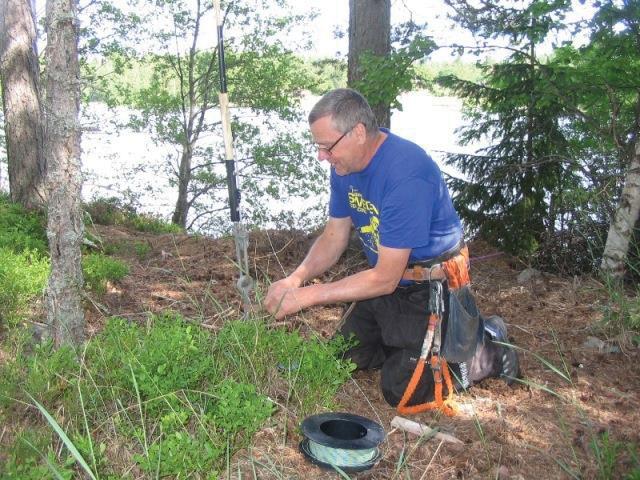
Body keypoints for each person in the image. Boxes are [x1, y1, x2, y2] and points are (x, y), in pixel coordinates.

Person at [264, 88, 519, 410]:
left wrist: (308, 297)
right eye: (318, 147)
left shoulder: (406, 174)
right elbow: (333, 237)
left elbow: (385, 278)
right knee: (343, 357)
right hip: (385, 281)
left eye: (326, 147)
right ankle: (408, 345)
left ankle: (487, 347)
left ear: (357, 132)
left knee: (405, 391)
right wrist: (295, 280)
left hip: (428, 286)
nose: (322, 156)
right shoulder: (344, 167)